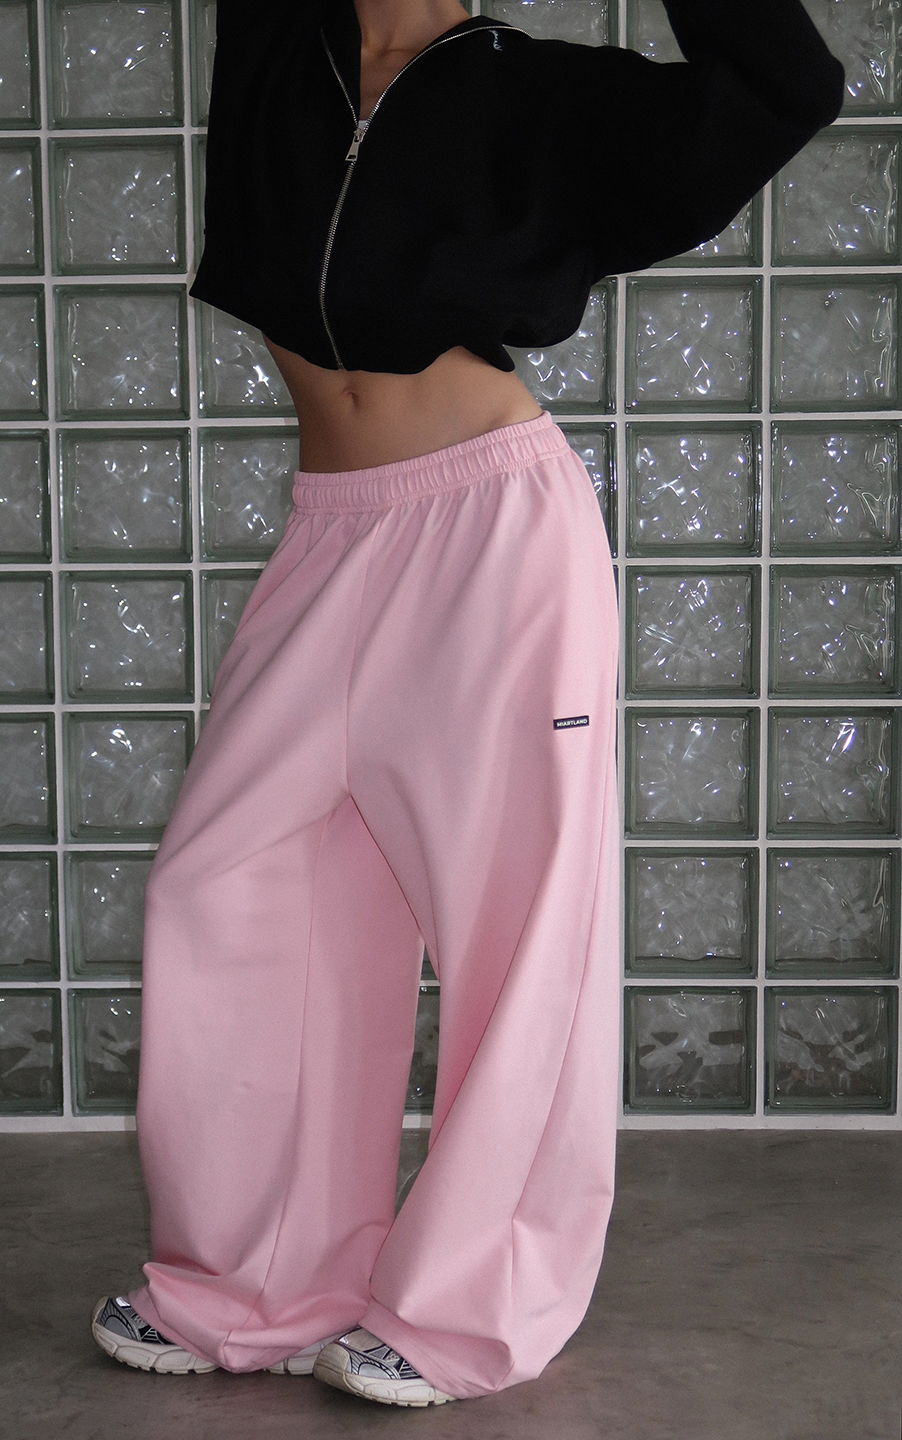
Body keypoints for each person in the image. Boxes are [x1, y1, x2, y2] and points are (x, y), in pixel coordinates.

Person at [91, 0, 844, 1407]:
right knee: (241, 893)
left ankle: (468, 1309)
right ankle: (255, 1283)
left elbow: (787, 83)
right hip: (330, 534)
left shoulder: (545, 96)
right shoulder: (281, 48)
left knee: (515, 930)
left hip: (493, 536)